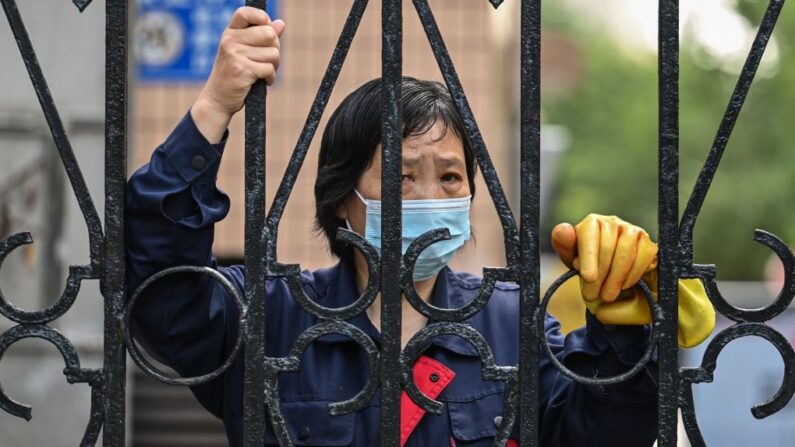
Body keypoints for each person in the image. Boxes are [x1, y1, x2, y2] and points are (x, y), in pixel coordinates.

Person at [125, 7, 715, 446]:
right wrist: (213, 108)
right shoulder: (273, 316)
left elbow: (601, 431)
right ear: (342, 200)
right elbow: (160, 296)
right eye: (402, 176)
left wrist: (630, 322)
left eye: (451, 178)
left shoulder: (512, 322)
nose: (431, 197)